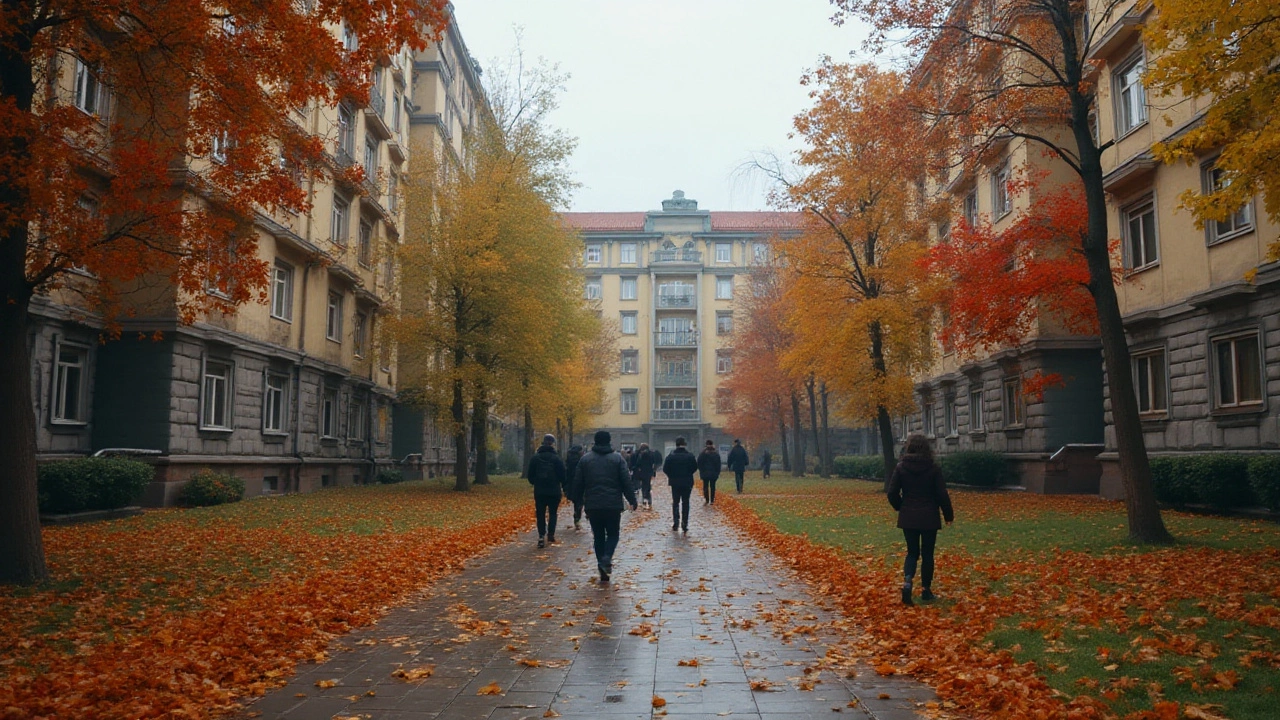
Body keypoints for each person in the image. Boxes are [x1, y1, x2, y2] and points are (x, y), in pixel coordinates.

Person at [887, 434, 954, 606]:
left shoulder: (901, 467)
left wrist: (900, 506)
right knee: (927, 554)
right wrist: (948, 515)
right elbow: (941, 494)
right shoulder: (933, 468)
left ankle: (908, 580)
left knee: (912, 552)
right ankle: (926, 590)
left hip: (909, 516)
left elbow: (892, 492)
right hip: (929, 516)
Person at [571, 430, 638, 582]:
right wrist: (632, 499)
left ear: (595, 441)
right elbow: (625, 481)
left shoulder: (585, 459)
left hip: (593, 504)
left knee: (598, 536)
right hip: (613, 504)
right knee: (613, 534)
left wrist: (577, 500)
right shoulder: (617, 459)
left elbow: (578, 482)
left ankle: (602, 565)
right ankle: (607, 557)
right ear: (609, 441)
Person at [527, 434, 567, 548]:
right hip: (554, 490)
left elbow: (530, 476)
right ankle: (551, 534)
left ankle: (541, 536)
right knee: (553, 513)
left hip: (540, 491)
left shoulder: (535, 458)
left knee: (540, 513)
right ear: (552, 444)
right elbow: (563, 475)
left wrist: (536, 482)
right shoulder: (557, 458)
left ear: (543, 443)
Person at [662, 437, 698, 533]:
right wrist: (688, 474)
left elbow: (665, 469)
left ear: (676, 444)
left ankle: (676, 522)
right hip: (687, 482)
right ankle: (685, 523)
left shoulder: (671, 456)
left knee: (676, 502)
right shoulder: (690, 456)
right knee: (686, 502)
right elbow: (695, 467)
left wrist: (671, 476)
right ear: (684, 444)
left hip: (675, 482)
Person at [564, 444, 585, 529]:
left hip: (571, 484)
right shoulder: (581, 461)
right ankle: (577, 518)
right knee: (579, 502)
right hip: (580, 484)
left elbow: (566, 473)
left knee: (576, 501)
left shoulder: (568, 460)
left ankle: (577, 517)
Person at [697, 439, 722, 505]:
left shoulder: (702, 454)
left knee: (705, 486)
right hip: (713, 473)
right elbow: (718, 464)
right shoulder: (716, 454)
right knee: (713, 486)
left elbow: (699, 463)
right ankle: (712, 500)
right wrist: (717, 472)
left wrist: (701, 470)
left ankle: (707, 499)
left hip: (705, 473)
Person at [633, 442, 656, 509]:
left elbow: (638, 463)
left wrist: (636, 468)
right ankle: (649, 500)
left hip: (642, 472)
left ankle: (644, 499)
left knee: (643, 486)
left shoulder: (641, 454)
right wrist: (653, 472)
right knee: (648, 485)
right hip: (649, 472)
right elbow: (653, 463)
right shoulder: (651, 454)